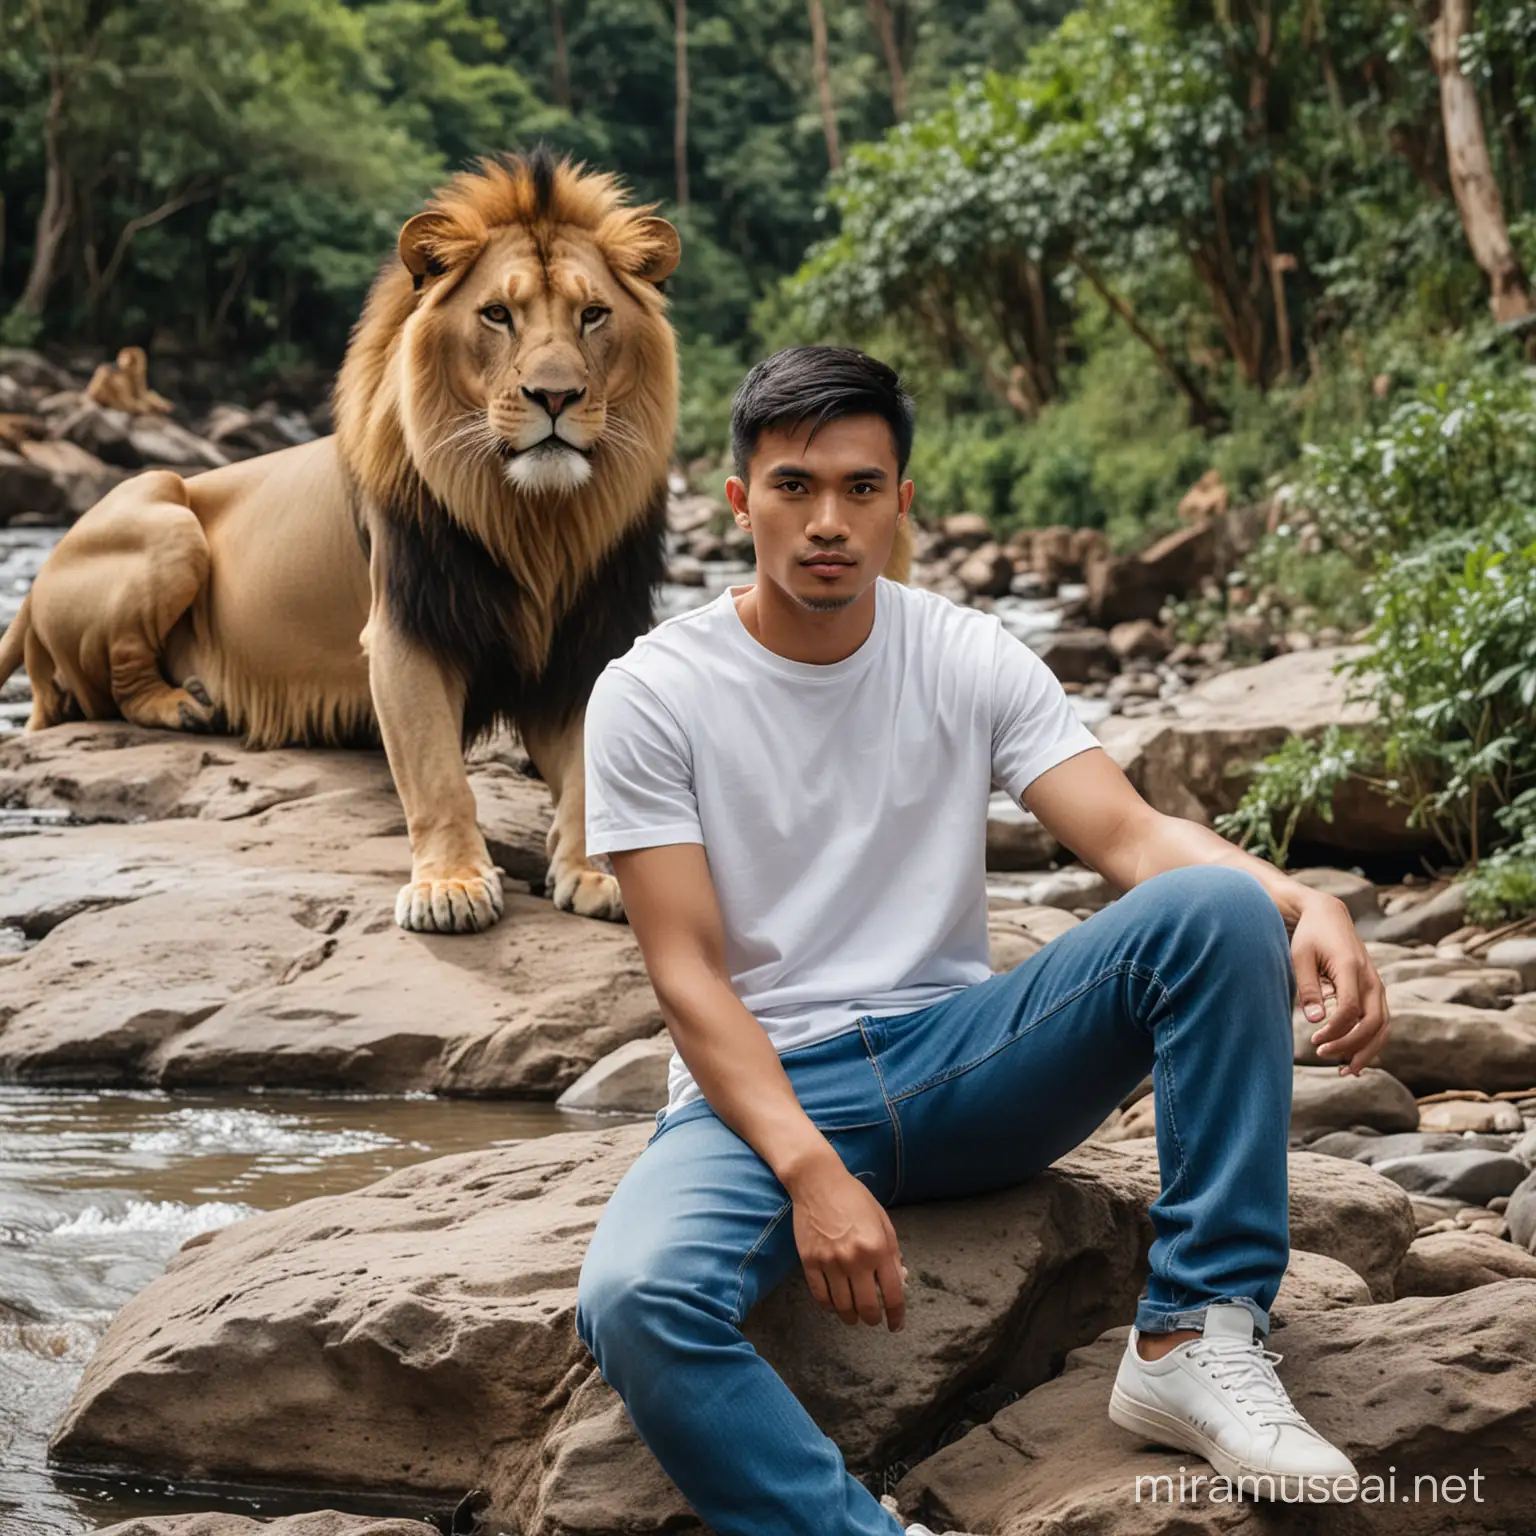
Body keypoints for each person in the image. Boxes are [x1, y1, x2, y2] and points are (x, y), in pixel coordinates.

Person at [574, 344, 1390, 1535]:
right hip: (759, 1097)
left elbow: (1130, 833)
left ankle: (1194, 1335)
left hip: (965, 1064)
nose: (828, 522)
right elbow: (685, 972)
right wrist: (810, 1174)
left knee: (1214, 910)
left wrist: (1304, 900)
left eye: (862, 488)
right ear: (739, 501)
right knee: (635, 1298)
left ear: (902, 503)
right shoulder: (653, 692)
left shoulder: (962, 651)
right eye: (794, 486)